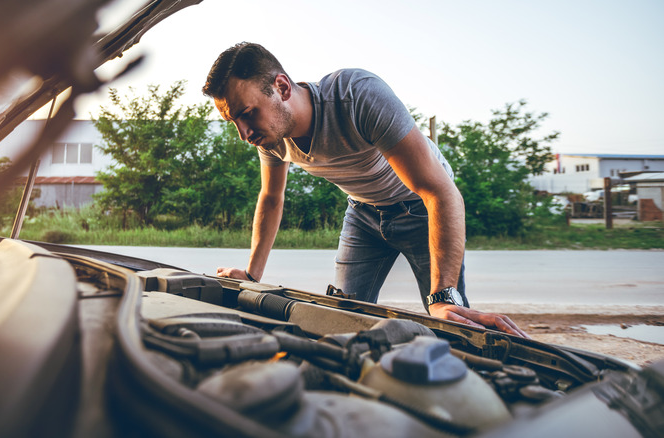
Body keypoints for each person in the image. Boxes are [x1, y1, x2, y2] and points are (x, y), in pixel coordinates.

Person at [203, 42, 528, 338]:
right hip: (362, 213)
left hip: (419, 206)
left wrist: (443, 296)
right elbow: (272, 198)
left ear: (282, 87)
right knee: (340, 322)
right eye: (234, 121)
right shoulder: (270, 137)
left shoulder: (357, 96)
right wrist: (250, 274)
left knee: (450, 321)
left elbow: (440, 192)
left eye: (247, 114)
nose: (244, 133)